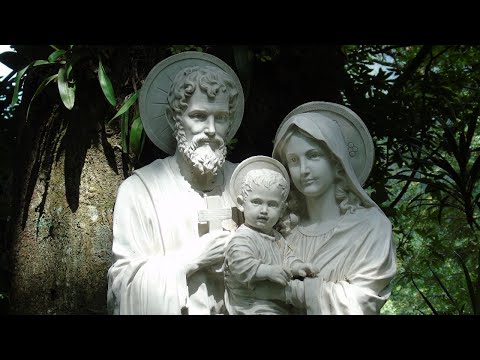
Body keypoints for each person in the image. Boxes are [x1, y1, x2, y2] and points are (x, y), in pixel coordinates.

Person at [107, 52, 245, 314]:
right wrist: (190, 260)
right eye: (199, 116)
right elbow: (122, 287)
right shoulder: (140, 191)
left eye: (221, 118)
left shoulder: (248, 183)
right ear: (174, 119)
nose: (212, 130)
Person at [256, 101, 397, 314]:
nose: (304, 169)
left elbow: (363, 300)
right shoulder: (282, 232)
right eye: (294, 160)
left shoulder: (371, 227)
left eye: (313, 156)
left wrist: (292, 291)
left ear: (336, 160)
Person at [223, 156, 318, 315]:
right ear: (241, 203)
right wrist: (266, 271)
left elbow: (287, 256)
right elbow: (240, 265)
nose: (264, 210)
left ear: (282, 210)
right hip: (250, 305)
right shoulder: (242, 238)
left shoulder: (277, 236)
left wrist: (298, 267)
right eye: (257, 202)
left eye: (272, 204)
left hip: (276, 303)